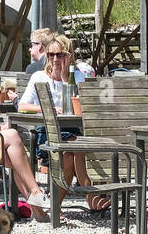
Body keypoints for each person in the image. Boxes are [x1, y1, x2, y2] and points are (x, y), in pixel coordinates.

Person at [18, 34, 109, 212]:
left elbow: (83, 106)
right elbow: (22, 106)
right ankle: (90, 193)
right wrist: (47, 108)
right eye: (51, 55)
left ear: (69, 56)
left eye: (60, 55)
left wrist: (66, 78)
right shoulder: (39, 77)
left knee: (70, 151)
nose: (55, 59)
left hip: (74, 132)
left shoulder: (78, 77)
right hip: (49, 133)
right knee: (75, 144)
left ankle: (55, 207)